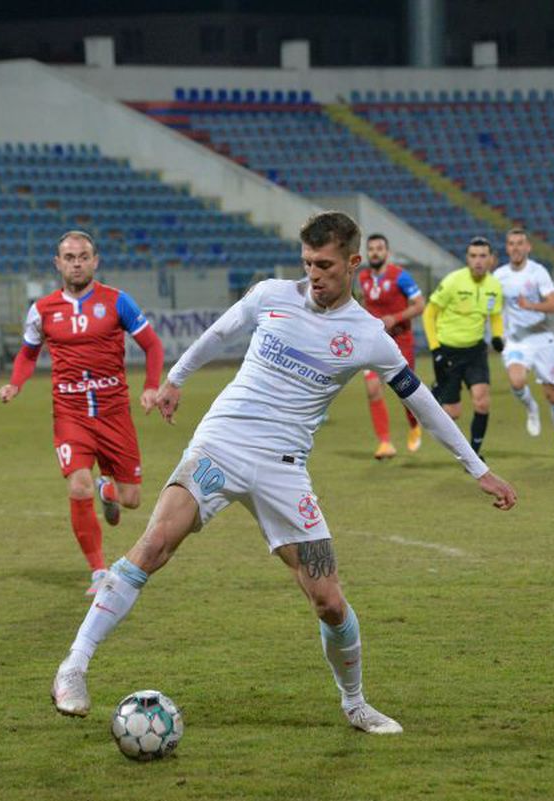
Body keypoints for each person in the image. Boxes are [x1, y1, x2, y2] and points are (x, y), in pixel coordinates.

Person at [49, 211, 517, 734]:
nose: (313, 275)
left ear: (353, 263)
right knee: (154, 545)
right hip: (219, 446)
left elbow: (425, 404)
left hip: (283, 471)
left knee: (329, 601)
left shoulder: (368, 336)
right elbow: (222, 331)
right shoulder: (271, 295)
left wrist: (479, 470)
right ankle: (74, 665)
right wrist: (175, 379)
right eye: (307, 263)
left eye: (324, 265)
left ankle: (355, 702)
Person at [0, 231, 164, 595]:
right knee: (78, 485)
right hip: (70, 414)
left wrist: (152, 386)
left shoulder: (117, 301)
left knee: (132, 499)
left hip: (114, 413)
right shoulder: (42, 310)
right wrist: (16, 383)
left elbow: (152, 345)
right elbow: (28, 354)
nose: (76, 263)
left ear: (95, 261)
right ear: (58, 263)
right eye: (69, 257)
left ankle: (110, 489)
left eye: (83, 256)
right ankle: (98, 571)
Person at [493, 228, 554, 460]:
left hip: (541, 339)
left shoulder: (538, 272)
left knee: (552, 394)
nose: (516, 248)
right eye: (511, 243)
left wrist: (531, 306)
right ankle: (531, 408)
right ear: (507, 248)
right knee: (516, 381)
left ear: (528, 247)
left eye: (520, 243)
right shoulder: (499, 276)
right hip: (515, 341)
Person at [421, 237, 504, 456]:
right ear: (467, 258)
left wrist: (497, 336)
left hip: (476, 351)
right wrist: (435, 348)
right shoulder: (452, 281)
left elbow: (495, 315)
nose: (478, 261)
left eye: (483, 256)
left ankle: (474, 453)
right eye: (474, 256)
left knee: (482, 402)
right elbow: (429, 313)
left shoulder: (494, 285)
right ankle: (437, 394)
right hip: (448, 352)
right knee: (453, 413)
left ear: (491, 259)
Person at [357, 233, 426, 458]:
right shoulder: (363, 277)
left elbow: (419, 305)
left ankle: (414, 424)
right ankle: (385, 443)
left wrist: (394, 319)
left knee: (405, 390)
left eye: (379, 248)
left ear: (387, 252)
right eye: (371, 249)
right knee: (373, 389)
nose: (375, 252)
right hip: (374, 342)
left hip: (401, 339)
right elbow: (363, 303)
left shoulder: (401, 277)